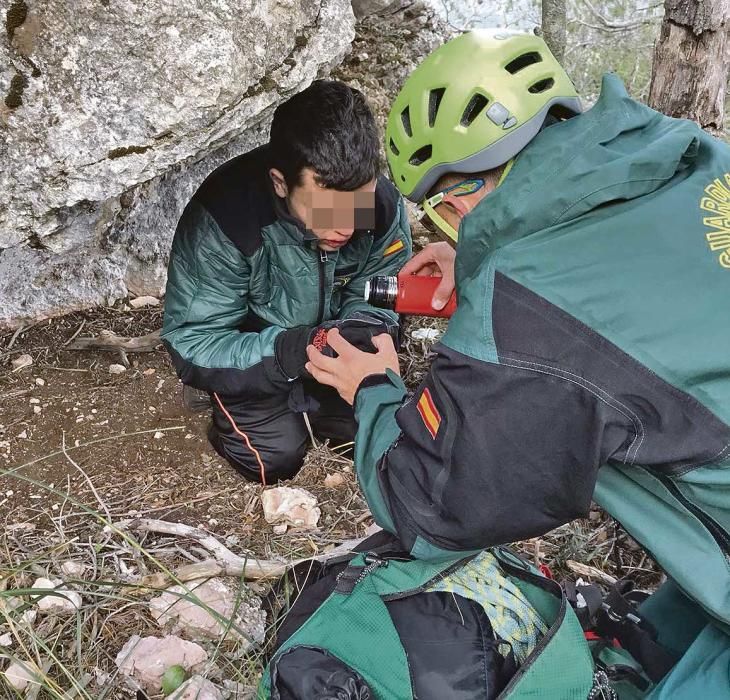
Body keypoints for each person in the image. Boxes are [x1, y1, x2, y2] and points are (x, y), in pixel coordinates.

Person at [305, 30, 730, 560]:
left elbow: (430, 510)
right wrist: (483, 260)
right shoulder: (686, 151)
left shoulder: (530, 313)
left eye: (441, 205)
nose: (446, 222)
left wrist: (371, 387)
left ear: (459, 197)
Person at [162, 80, 412, 485]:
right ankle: (227, 400)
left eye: (356, 208)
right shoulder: (229, 219)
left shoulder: (377, 204)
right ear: (281, 183)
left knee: (388, 431)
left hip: (332, 343)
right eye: (326, 211)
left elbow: (378, 287)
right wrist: (292, 352)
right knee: (274, 458)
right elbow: (193, 340)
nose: (345, 227)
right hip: (259, 354)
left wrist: (363, 331)